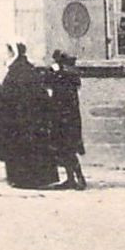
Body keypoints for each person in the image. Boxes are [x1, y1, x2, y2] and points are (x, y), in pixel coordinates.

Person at [0, 42, 59, 189]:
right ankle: (38, 178)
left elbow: (8, 93)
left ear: (14, 53)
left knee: (22, 147)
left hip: (20, 118)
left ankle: (24, 180)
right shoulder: (28, 68)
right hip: (31, 118)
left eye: (8, 52)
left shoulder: (17, 70)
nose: (6, 56)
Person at [47, 50, 86, 190]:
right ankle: (71, 178)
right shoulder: (69, 74)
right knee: (64, 149)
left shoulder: (68, 76)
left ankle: (80, 178)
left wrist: (57, 73)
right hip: (63, 116)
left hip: (67, 117)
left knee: (68, 149)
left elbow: (58, 89)